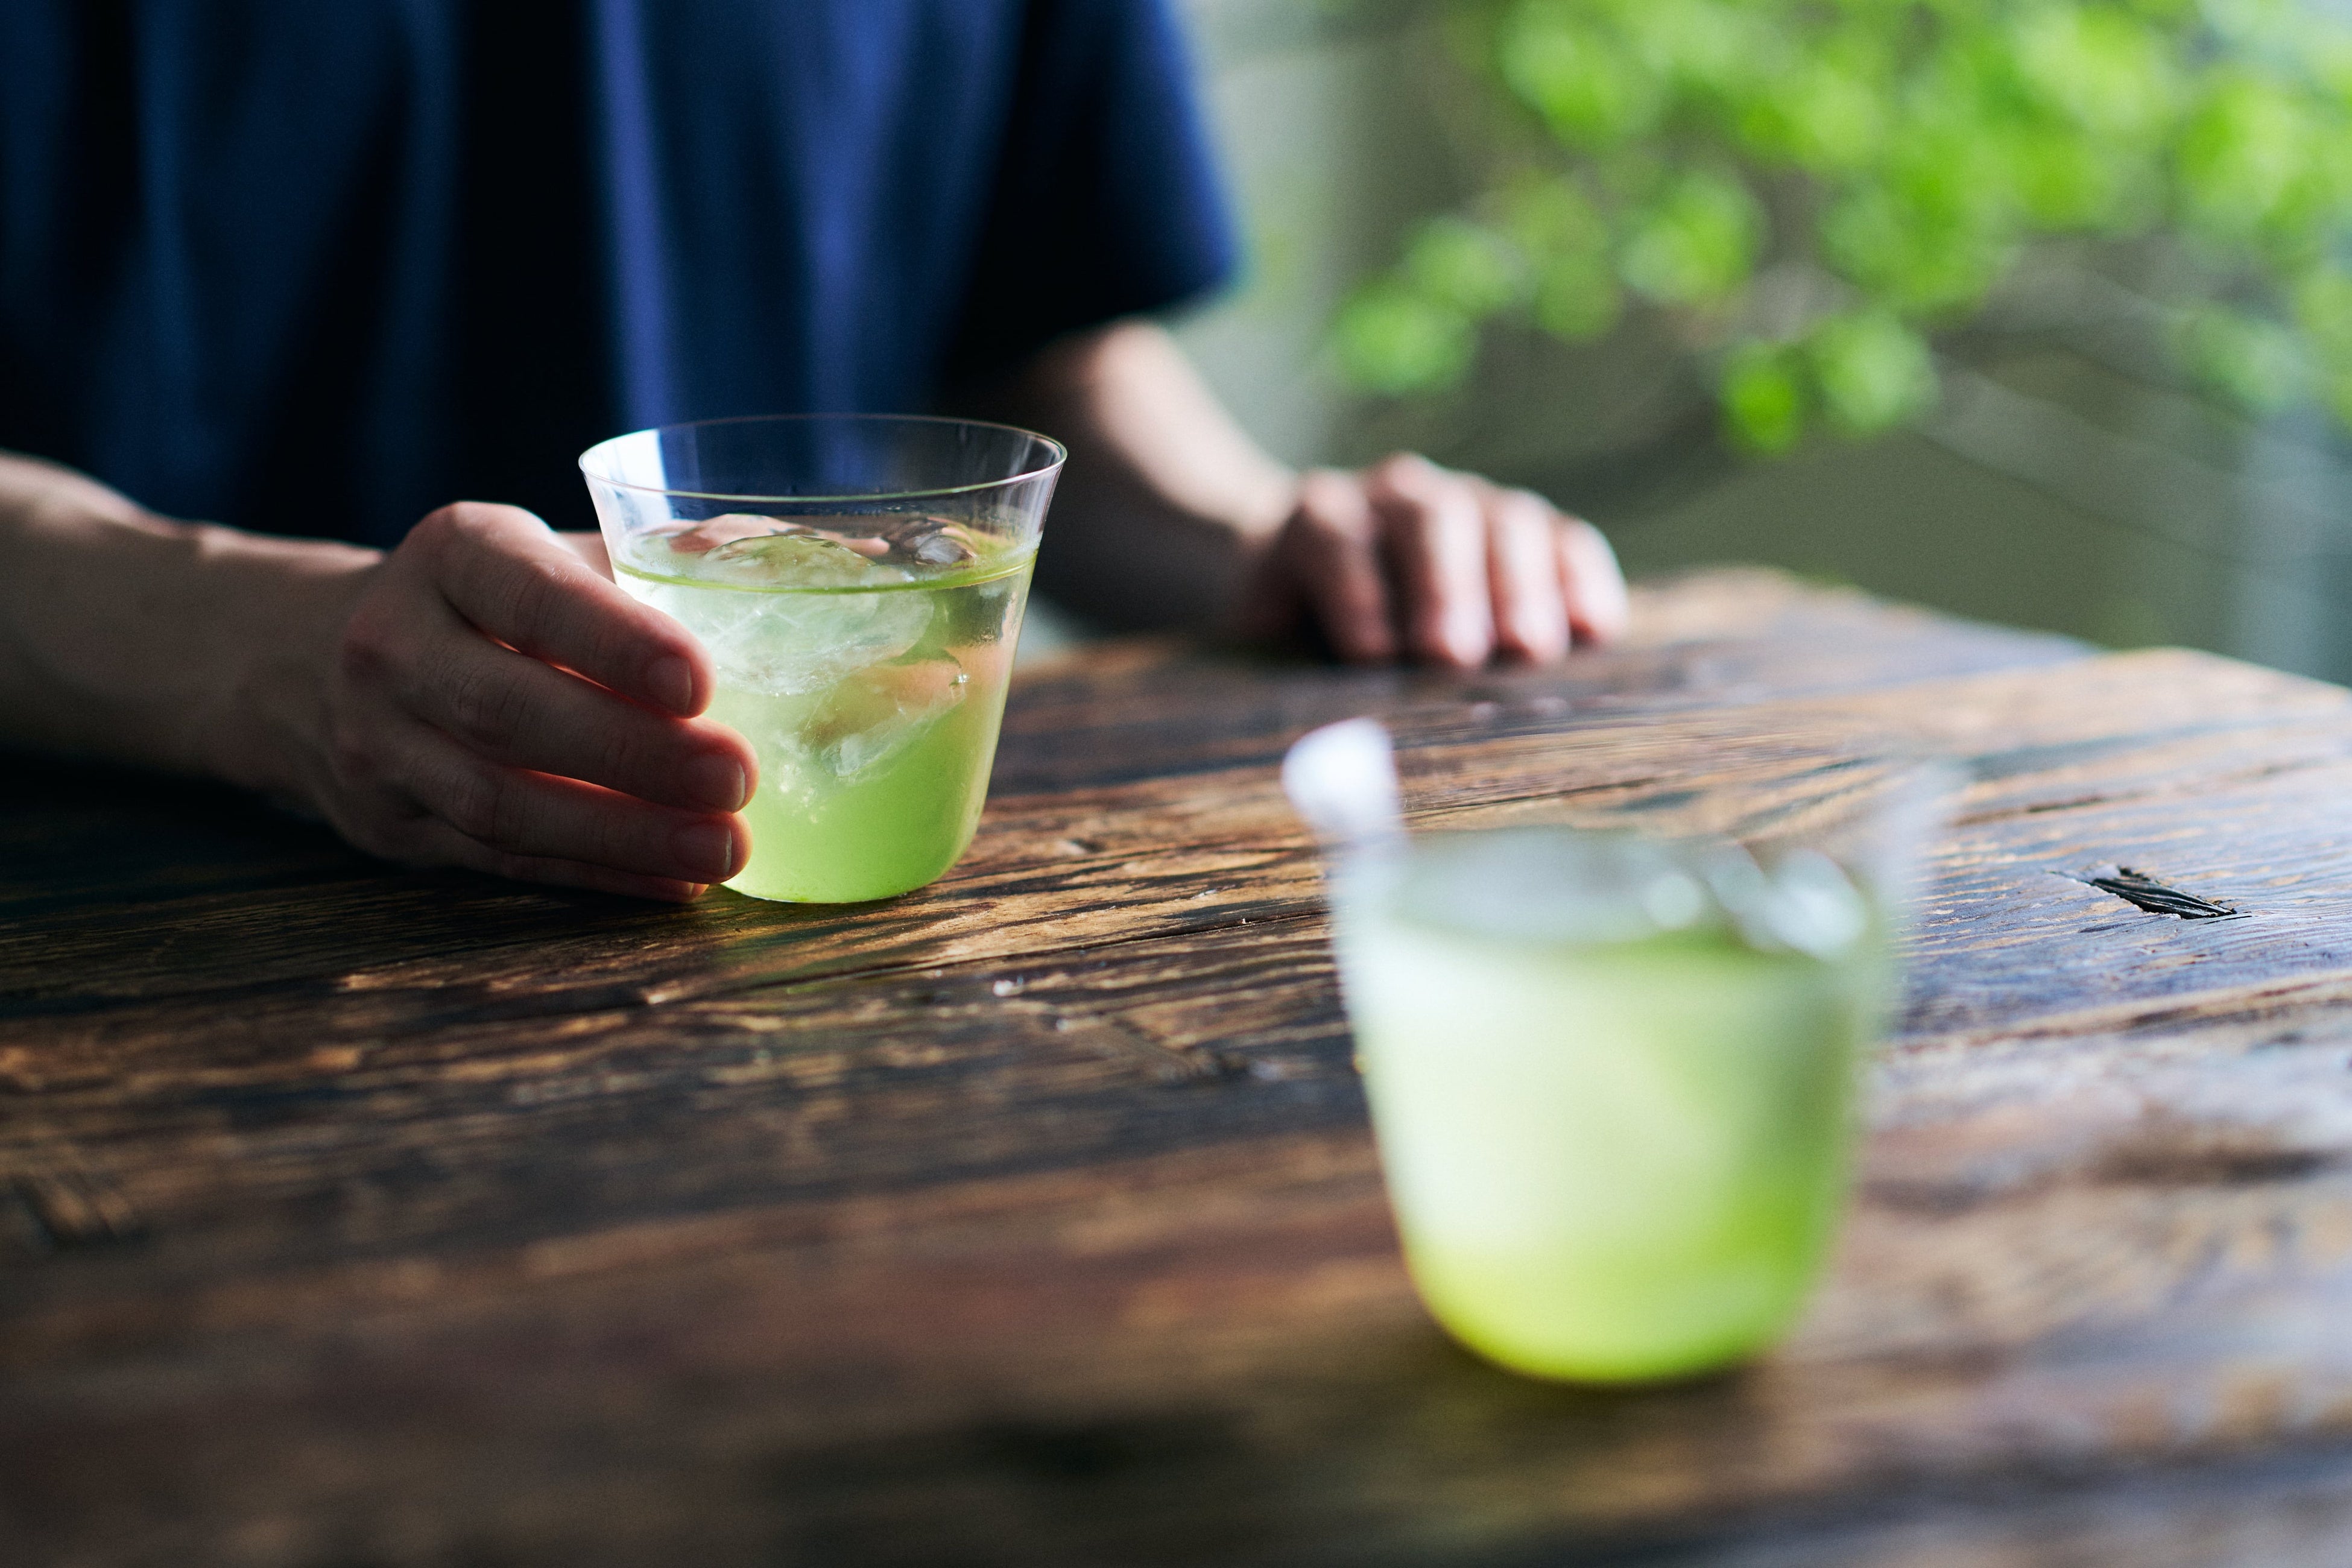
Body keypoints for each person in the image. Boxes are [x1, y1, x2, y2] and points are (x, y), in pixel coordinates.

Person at [0, 1, 1626, 902]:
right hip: (120, 960)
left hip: (802, 996)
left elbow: (1033, 345)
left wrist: (1259, 537)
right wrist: (249, 648)